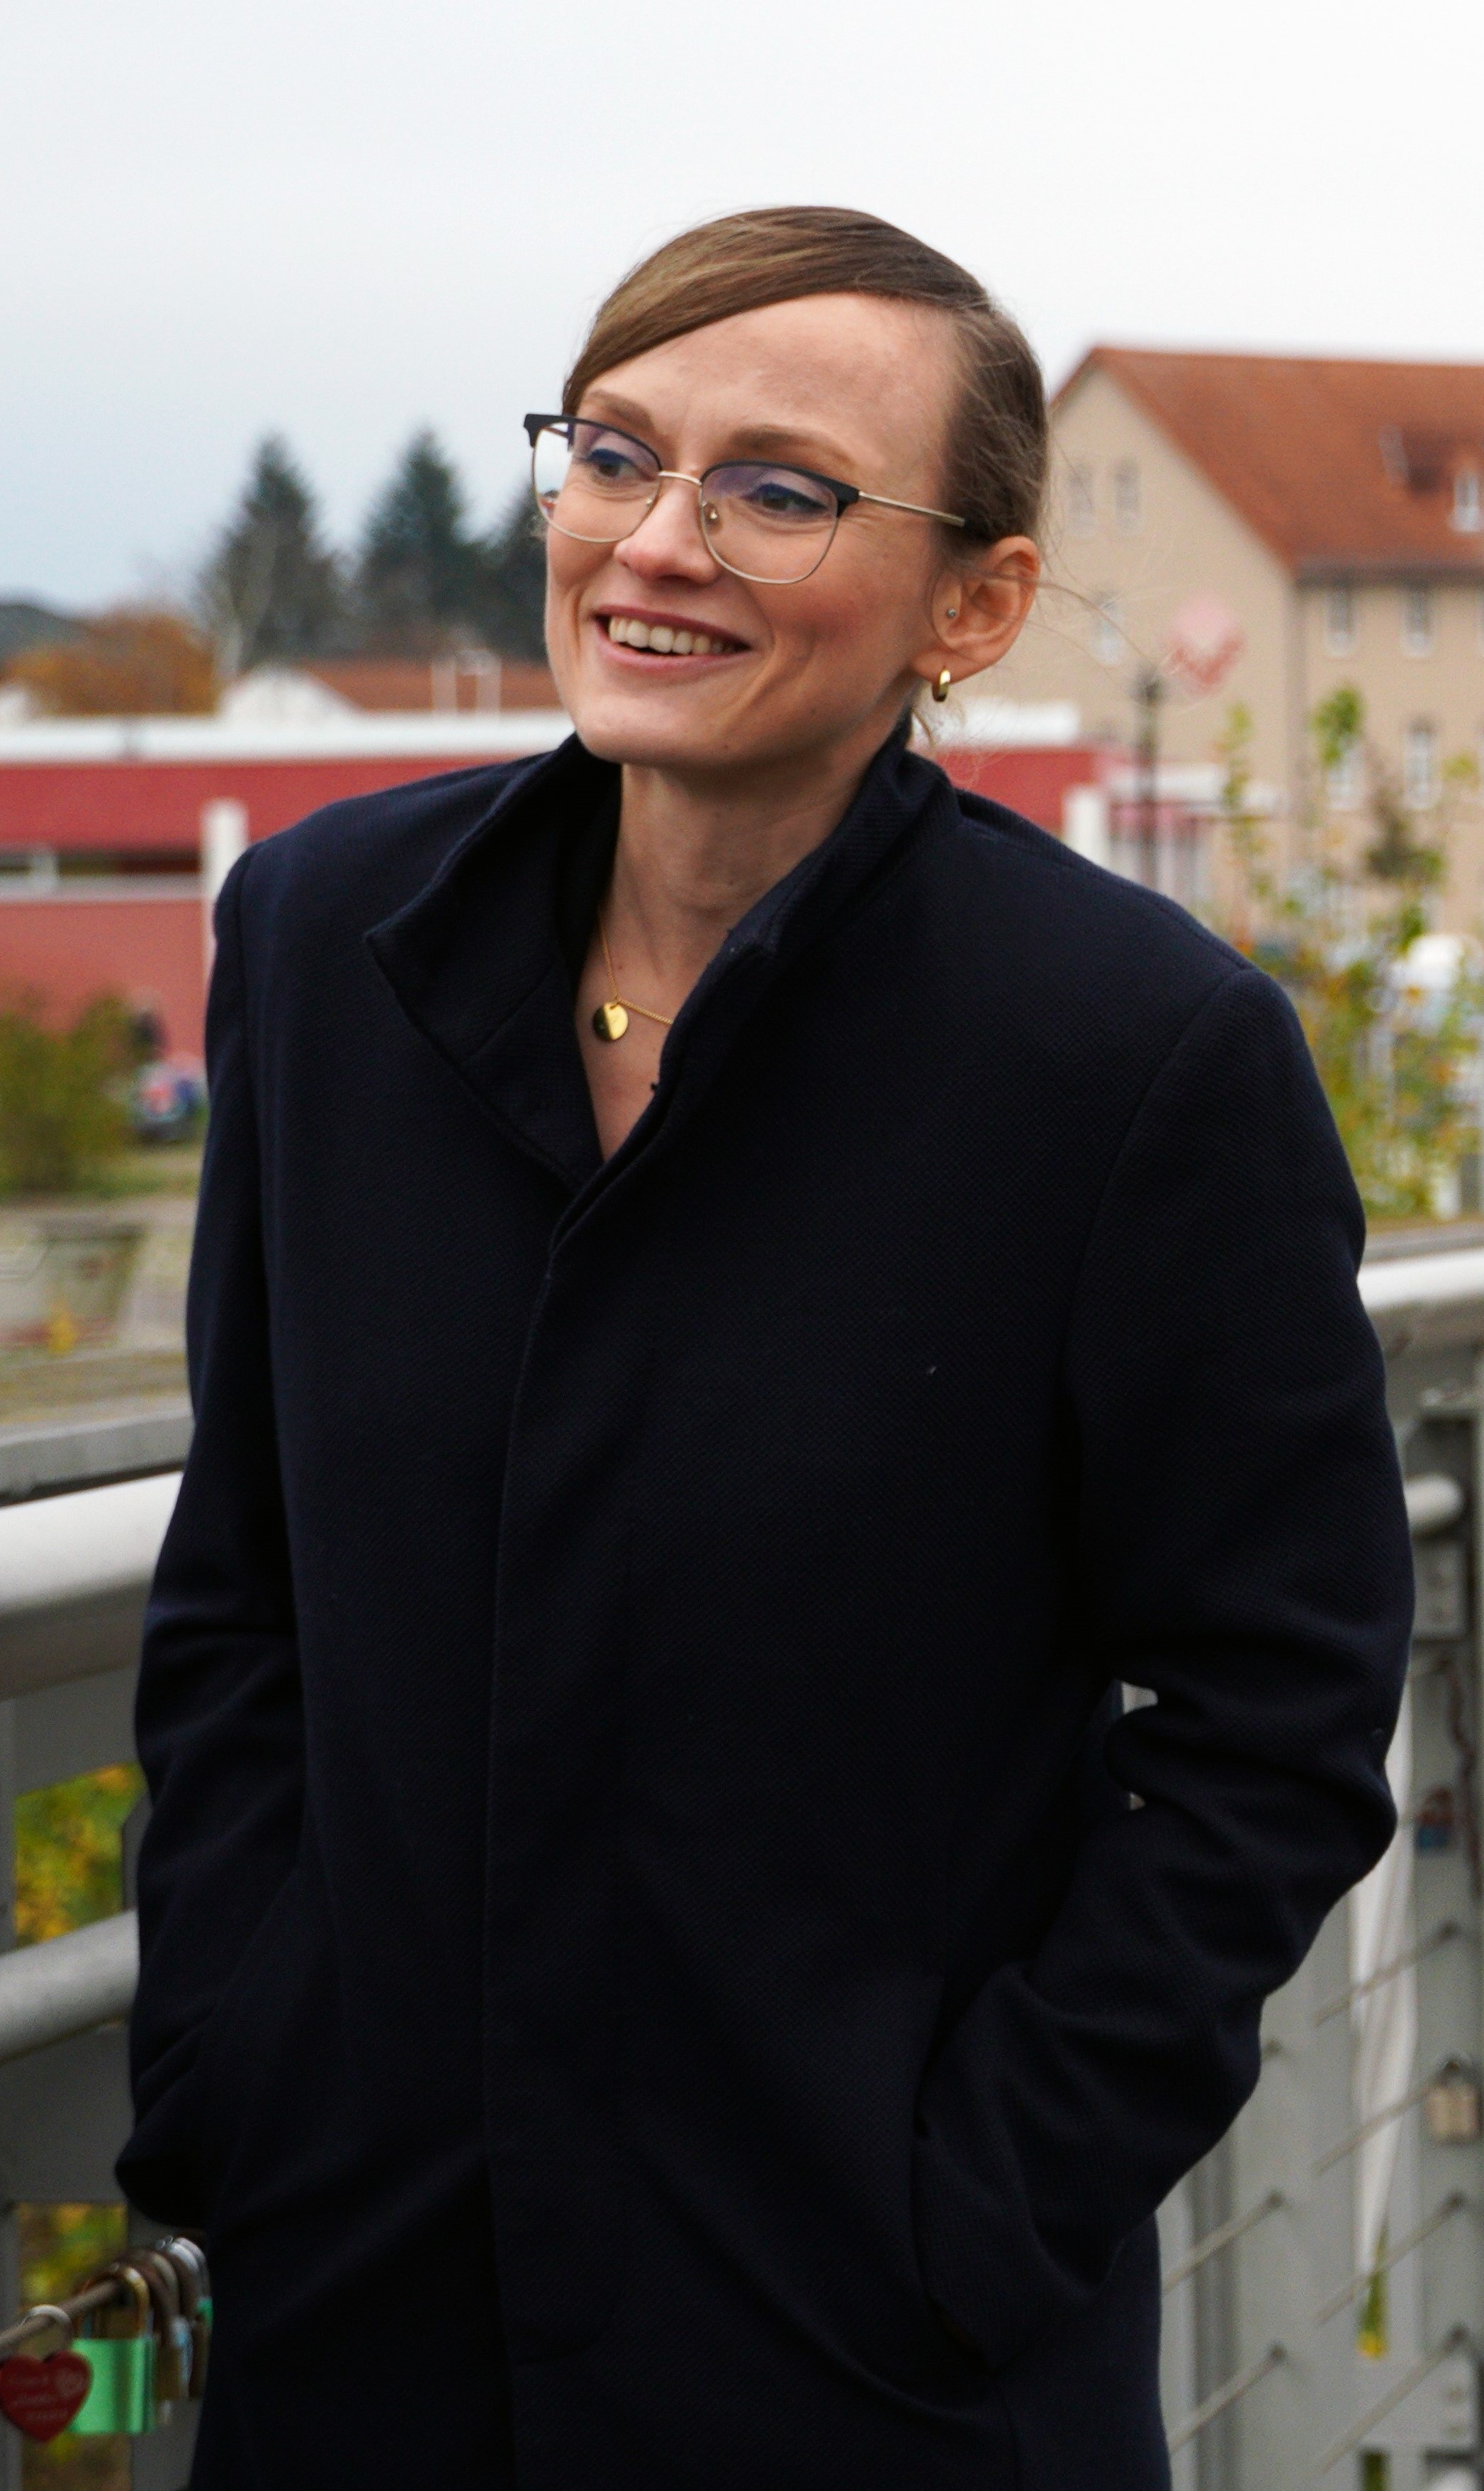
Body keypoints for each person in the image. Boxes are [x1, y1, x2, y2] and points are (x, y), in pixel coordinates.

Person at [121, 208, 1418, 2485]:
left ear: (976, 604)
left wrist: (976, 2194)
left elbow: (1281, 1712)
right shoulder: (325, 945)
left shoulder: (1129, 1056)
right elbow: (248, 1587)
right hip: (371, 2317)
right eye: (613, 454)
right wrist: (242, 2066)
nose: (660, 542)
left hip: (868, 2360)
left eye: (780, 489)